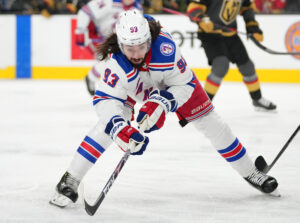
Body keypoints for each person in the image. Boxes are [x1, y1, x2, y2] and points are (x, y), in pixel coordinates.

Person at [49, 9, 279, 208]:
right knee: (104, 128)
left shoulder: (166, 48)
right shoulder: (115, 63)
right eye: (130, 48)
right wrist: (120, 129)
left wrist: (162, 103)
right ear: (120, 44)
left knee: (214, 124)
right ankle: (70, 179)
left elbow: (183, 85)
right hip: (134, 88)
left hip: (171, 86)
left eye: (141, 46)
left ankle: (251, 172)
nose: (137, 54)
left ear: (149, 39)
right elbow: (105, 101)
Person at [187, 0, 277, 111]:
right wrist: (202, 19)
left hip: (231, 34)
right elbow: (194, 7)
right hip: (210, 34)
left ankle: (257, 99)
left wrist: (252, 27)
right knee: (221, 66)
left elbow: (247, 8)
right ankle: (201, 105)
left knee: (247, 67)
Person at [74, 0, 143, 95]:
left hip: (120, 40)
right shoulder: (108, 2)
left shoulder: (137, 8)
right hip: (99, 38)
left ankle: (91, 78)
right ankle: (91, 78)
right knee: (108, 62)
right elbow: (85, 11)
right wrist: (80, 29)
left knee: (111, 63)